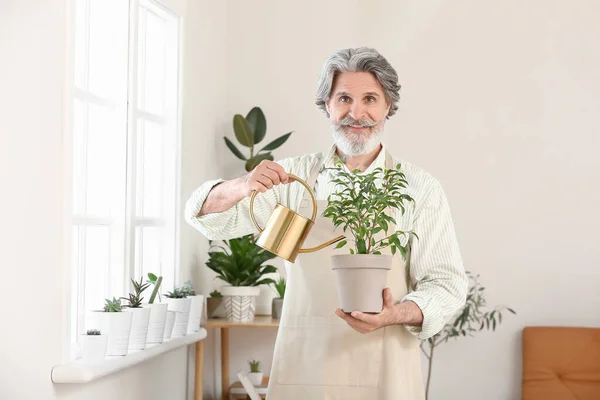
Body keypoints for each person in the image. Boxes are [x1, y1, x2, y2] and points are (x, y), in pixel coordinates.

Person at [185, 47, 468, 400]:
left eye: (370, 99)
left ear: (387, 107)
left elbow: (446, 284)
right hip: (305, 365)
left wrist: (397, 313)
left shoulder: (420, 188)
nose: (356, 112)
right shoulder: (293, 180)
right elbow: (207, 219)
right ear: (327, 106)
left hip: (388, 368)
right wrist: (241, 186)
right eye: (344, 98)